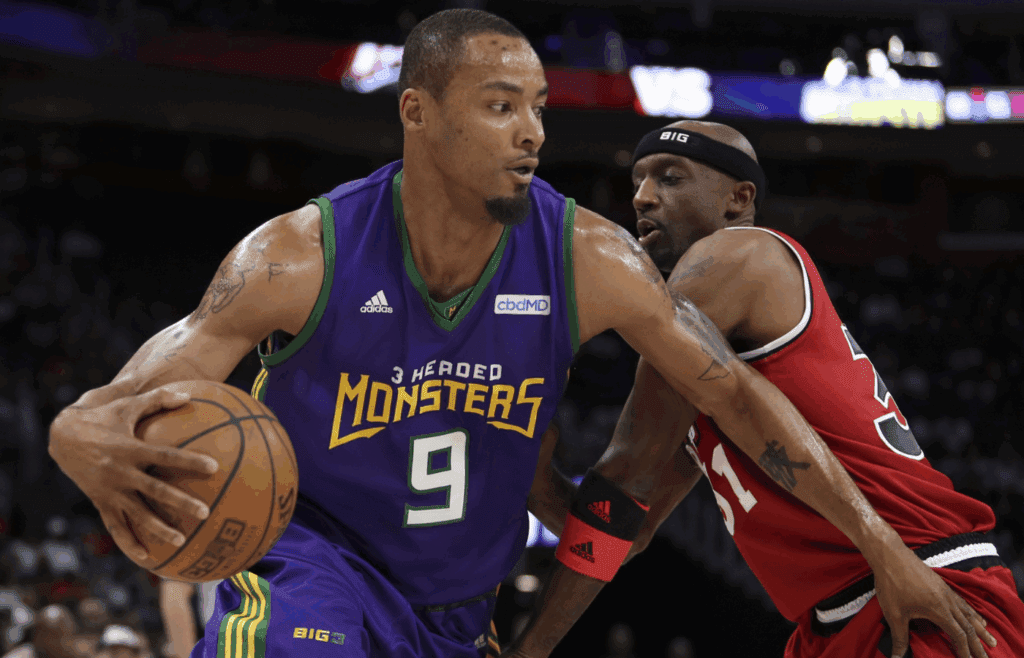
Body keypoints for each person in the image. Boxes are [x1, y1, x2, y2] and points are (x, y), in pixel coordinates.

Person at [46, 11, 995, 658]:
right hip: (316, 566)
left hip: (466, 611)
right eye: (503, 106)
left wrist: (881, 545)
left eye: (539, 106)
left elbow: (720, 414)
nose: (534, 131)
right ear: (416, 112)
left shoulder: (601, 259)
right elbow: (120, 407)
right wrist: (76, 430)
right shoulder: (299, 254)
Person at [508, 121, 1024, 658]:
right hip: (842, 609)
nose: (642, 196)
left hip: (919, 583)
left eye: (670, 177)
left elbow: (627, 473)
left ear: (738, 199)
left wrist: (528, 650)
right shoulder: (695, 349)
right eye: (637, 180)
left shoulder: (732, 257)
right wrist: (541, 482)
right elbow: (625, 530)